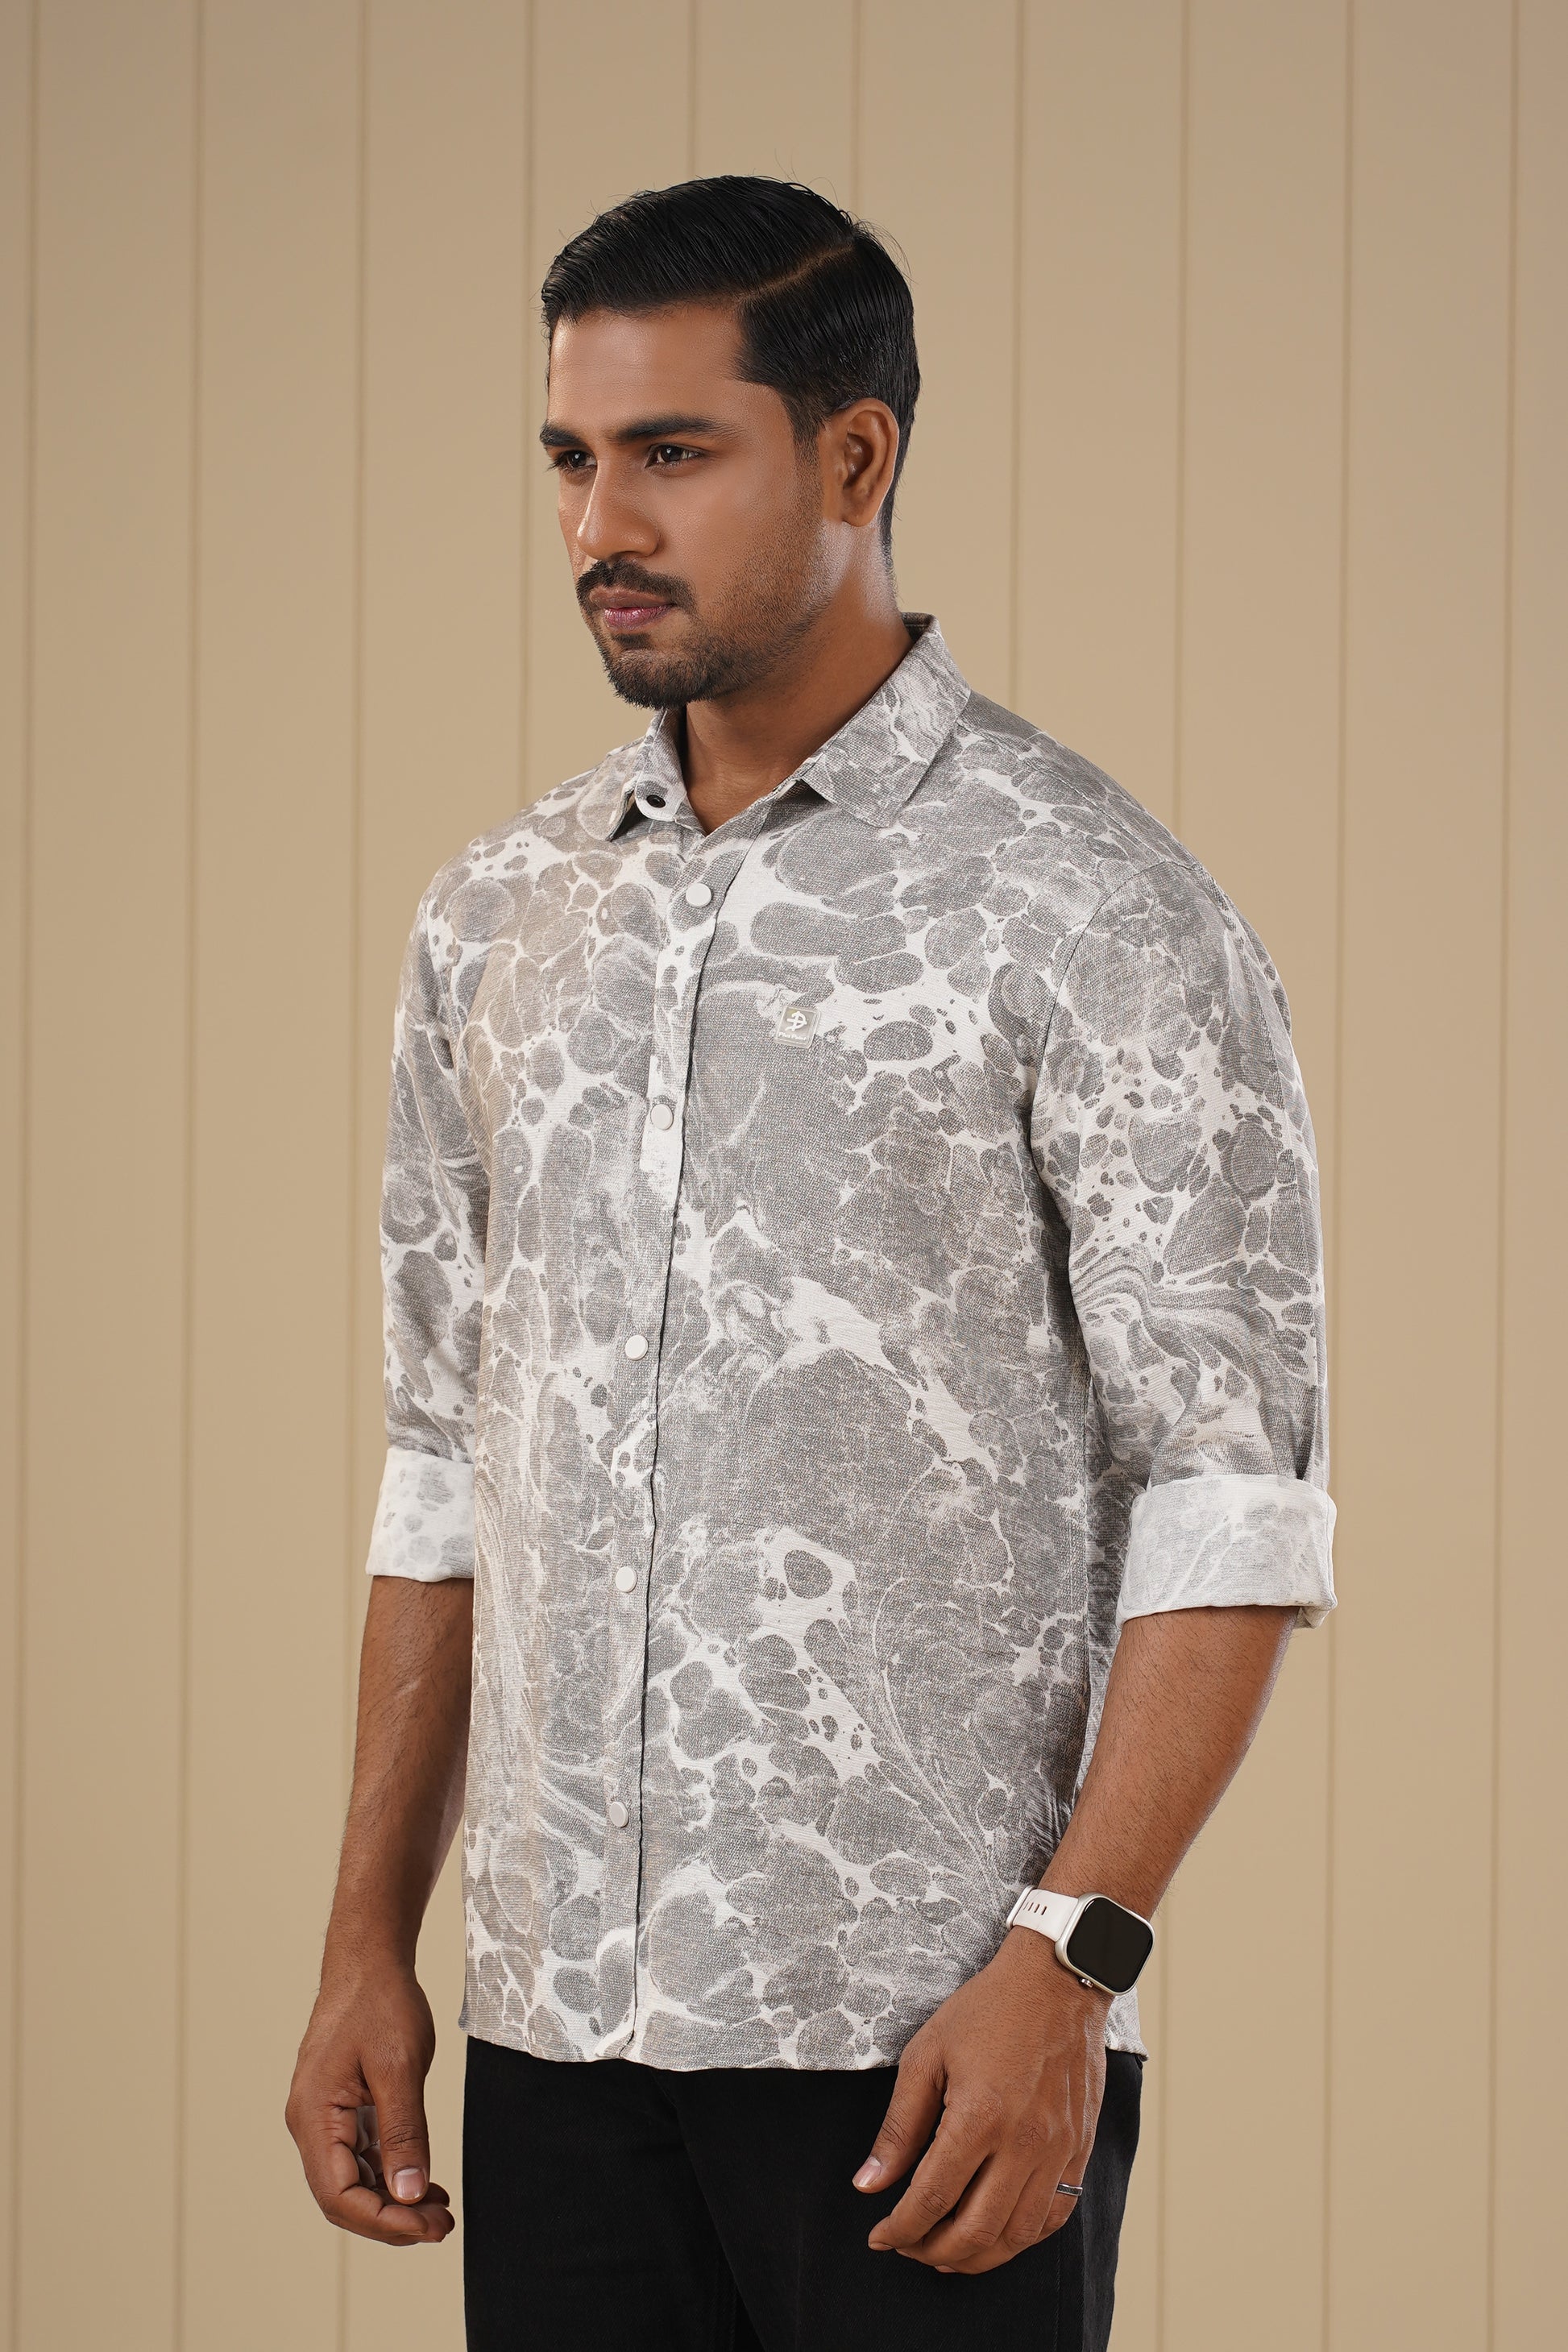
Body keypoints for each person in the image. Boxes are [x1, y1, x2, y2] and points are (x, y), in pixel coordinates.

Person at [286, 176, 1336, 2352]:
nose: (602, 523)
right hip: (557, 2040)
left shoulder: (1094, 907)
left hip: (931, 2051)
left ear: (855, 459)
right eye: (572, 457)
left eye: (674, 452)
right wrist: (366, 1937)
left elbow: (1230, 1499)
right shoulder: (498, 919)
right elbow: (445, 1467)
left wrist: (1074, 1962)